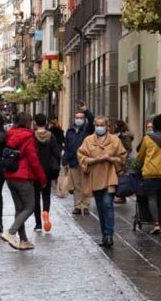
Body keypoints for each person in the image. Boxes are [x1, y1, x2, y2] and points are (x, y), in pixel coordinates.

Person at [78, 115, 126, 247]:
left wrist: (110, 158)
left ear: (107, 126)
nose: (99, 127)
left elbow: (122, 157)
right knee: (100, 208)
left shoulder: (115, 140)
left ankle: (109, 235)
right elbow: (81, 156)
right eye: (97, 125)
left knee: (107, 205)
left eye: (102, 125)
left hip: (110, 177)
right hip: (95, 177)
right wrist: (93, 160)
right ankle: (104, 235)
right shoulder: (88, 141)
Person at [1, 112, 47, 250]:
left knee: (20, 208)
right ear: (28, 122)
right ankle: (11, 232)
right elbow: (33, 160)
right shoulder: (28, 137)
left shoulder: (10, 134)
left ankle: (23, 240)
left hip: (10, 175)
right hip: (23, 176)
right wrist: (42, 178)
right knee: (29, 207)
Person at [136, 114, 161, 234]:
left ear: (154, 126)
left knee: (152, 198)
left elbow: (141, 155)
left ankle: (156, 224)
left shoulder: (147, 138)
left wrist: (139, 165)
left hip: (150, 173)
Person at [61, 101, 94, 215]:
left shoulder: (87, 129)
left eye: (81, 117)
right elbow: (67, 146)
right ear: (74, 119)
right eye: (77, 117)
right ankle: (77, 206)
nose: (79, 119)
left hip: (85, 161)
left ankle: (86, 206)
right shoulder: (70, 131)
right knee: (76, 186)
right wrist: (65, 160)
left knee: (86, 185)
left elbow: (92, 120)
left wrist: (85, 110)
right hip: (74, 162)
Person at [32, 113, 61, 232]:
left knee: (35, 197)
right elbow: (57, 154)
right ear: (46, 123)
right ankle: (46, 214)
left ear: (35, 123)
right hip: (47, 170)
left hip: (35, 170)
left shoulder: (32, 136)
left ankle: (38, 224)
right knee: (46, 195)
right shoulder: (51, 136)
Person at [113, 120, 135, 204]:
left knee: (122, 177)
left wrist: (124, 157)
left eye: (116, 125)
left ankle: (122, 196)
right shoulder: (119, 134)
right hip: (117, 158)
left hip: (122, 159)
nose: (115, 127)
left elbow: (128, 148)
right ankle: (120, 195)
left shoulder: (125, 135)